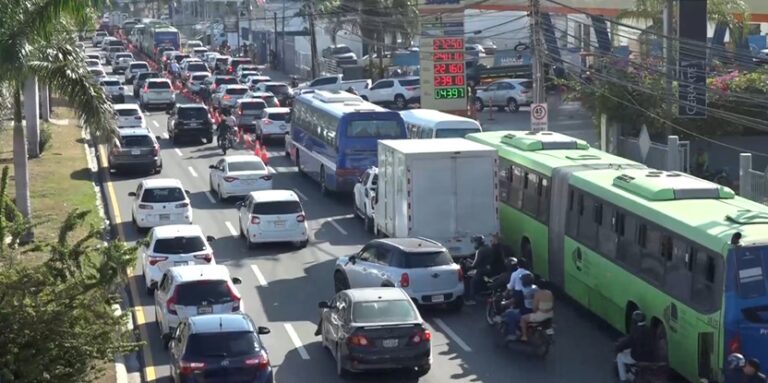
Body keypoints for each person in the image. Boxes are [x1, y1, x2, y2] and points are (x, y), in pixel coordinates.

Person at [615, 310, 656, 382]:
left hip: (637, 357)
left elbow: (627, 343)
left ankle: (623, 379)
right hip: (650, 357)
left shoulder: (635, 331)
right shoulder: (649, 329)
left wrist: (618, 347)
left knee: (620, 357)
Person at [499, 273, 536, 341]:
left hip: (525, 313)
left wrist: (504, 304)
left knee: (509, 314)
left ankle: (513, 334)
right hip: (536, 312)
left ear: (523, 282)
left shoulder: (522, 292)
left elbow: (512, 301)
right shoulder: (536, 289)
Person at [465, 235, 494, 305]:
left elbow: (474, 265)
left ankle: (471, 299)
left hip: (482, 271)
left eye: (475, 242)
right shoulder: (488, 247)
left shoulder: (480, 251)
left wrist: (467, 264)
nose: (474, 244)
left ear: (477, 243)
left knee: (471, 281)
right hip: (490, 269)